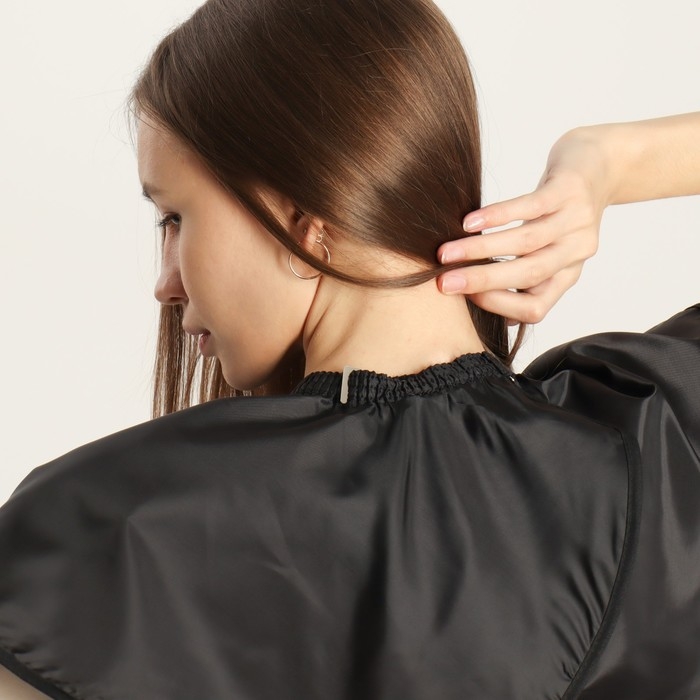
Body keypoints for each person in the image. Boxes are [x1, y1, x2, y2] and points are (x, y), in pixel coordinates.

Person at [0, 0, 698, 697]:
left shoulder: (104, 533)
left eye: (175, 217)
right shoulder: (650, 436)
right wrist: (602, 162)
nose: (166, 283)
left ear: (303, 217)